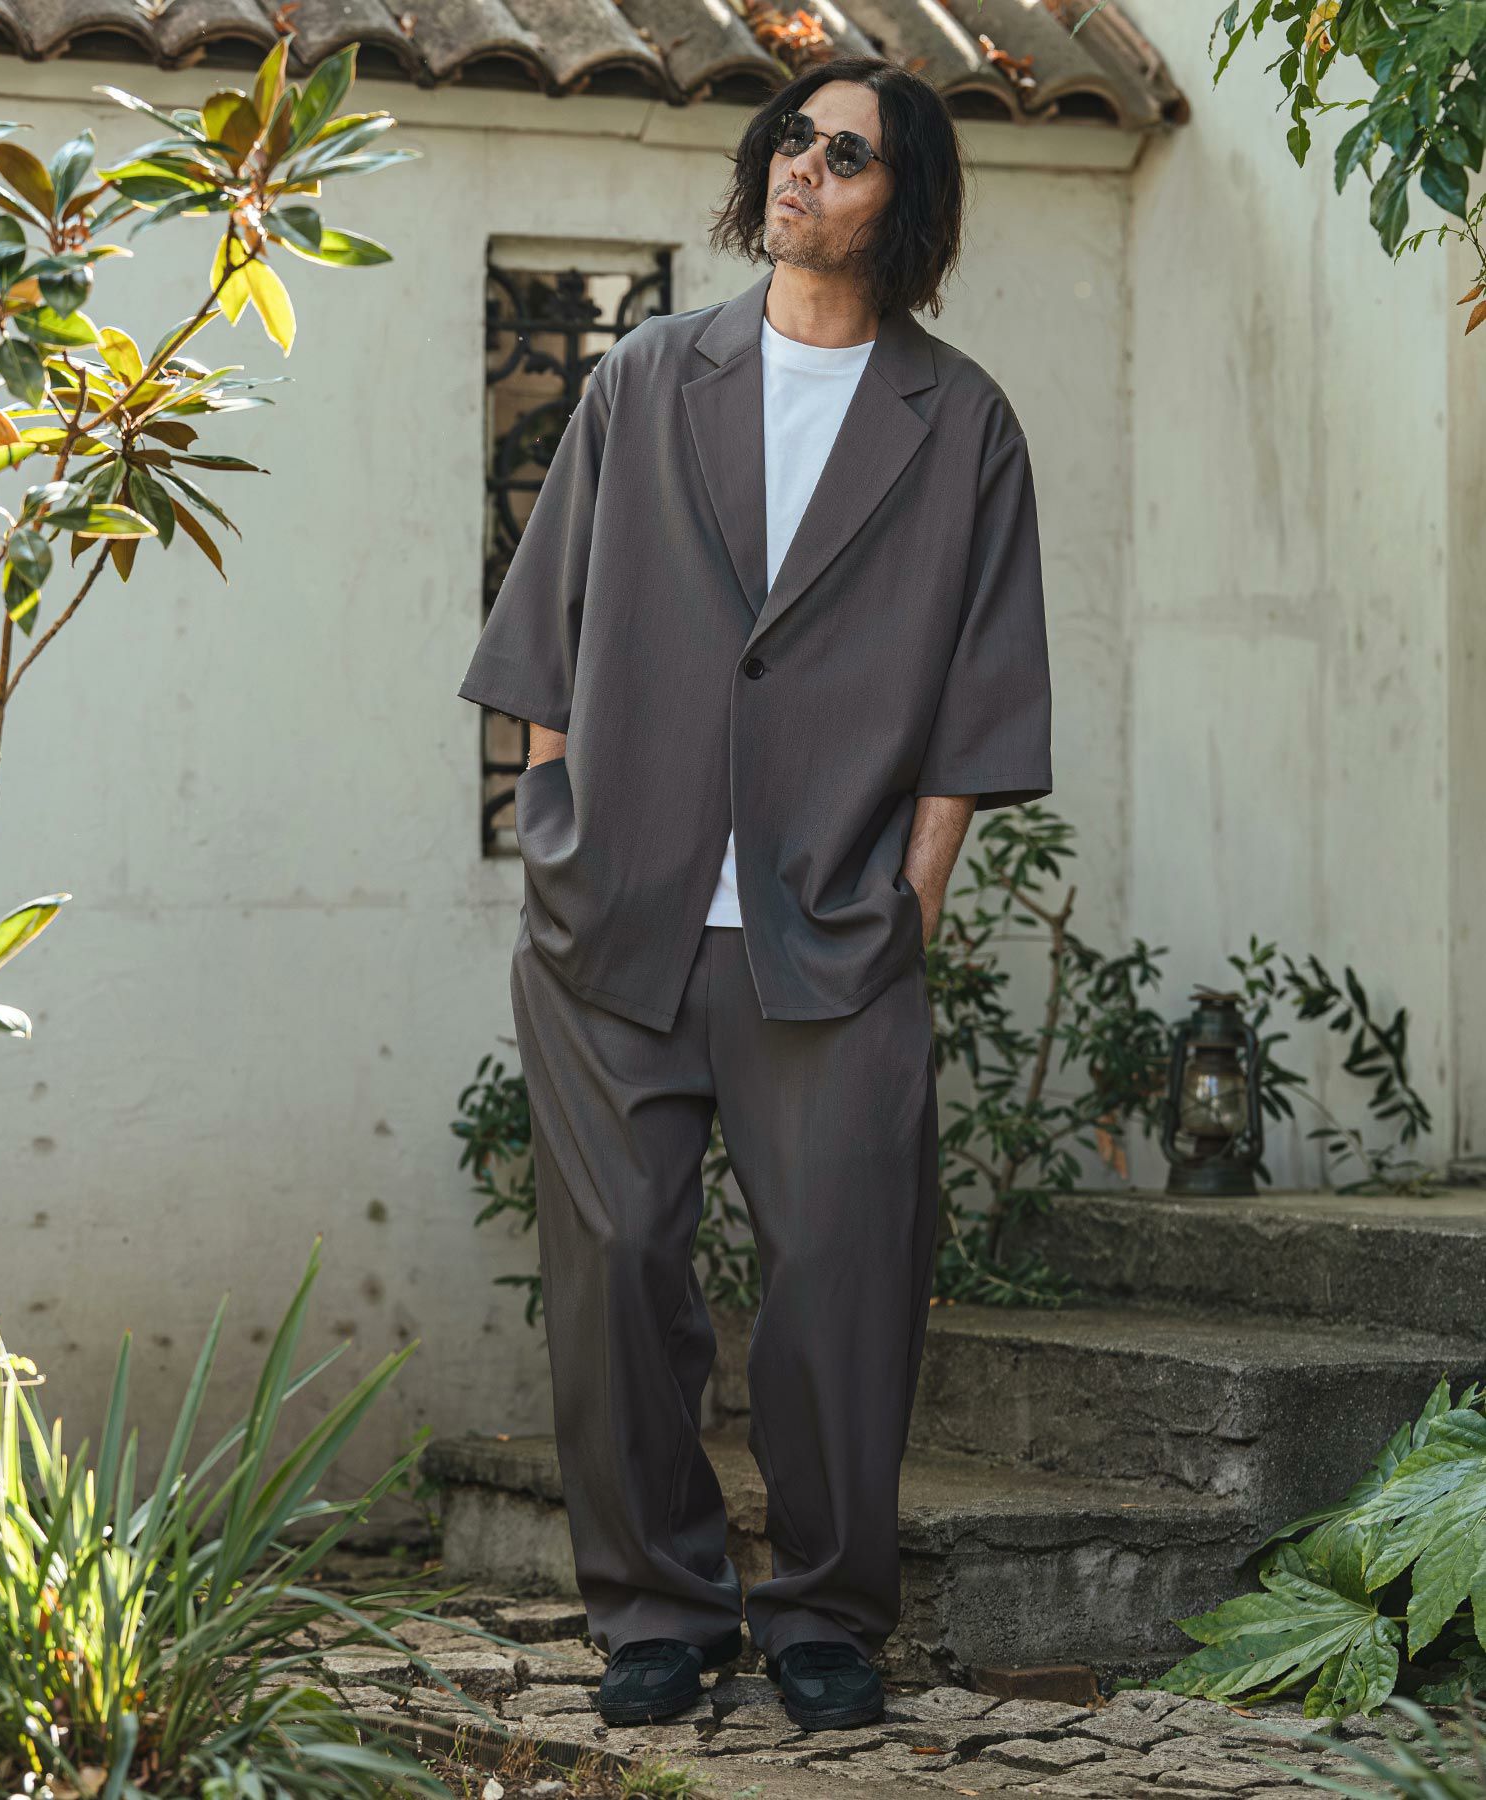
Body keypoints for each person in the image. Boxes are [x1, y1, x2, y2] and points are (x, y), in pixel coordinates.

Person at [457, 54, 1053, 1734]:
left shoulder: (962, 424)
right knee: (617, 1274)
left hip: (833, 934)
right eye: (793, 138)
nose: (804, 166)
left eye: (845, 152)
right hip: (618, 919)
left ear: (904, 199)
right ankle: (655, 1609)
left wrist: (908, 904)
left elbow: (980, 703)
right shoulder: (649, 377)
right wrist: (561, 829)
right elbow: (548, 635)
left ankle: (824, 1615)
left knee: (843, 1283)